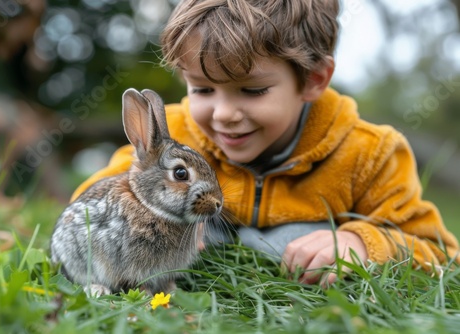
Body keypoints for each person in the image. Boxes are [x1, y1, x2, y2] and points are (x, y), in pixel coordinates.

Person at [70, 0, 459, 284]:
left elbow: (439, 251)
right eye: (203, 89)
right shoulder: (171, 137)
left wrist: (362, 243)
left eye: (252, 91)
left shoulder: (371, 153)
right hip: (200, 253)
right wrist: (155, 215)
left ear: (313, 80)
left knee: (292, 238)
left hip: (298, 257)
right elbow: (90, 204)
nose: (223, 114)